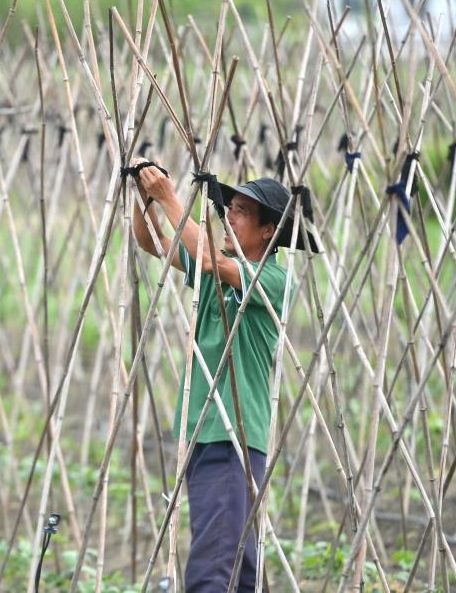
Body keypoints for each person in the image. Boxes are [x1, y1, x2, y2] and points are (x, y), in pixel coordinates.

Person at [128, 157, 314, 592]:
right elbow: (153, 241)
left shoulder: (272, 281)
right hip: (202, 432)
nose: (228, 215)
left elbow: (210, 258)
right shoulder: (214, 268)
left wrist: (169, 197)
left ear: (269, 231)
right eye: (228, 207)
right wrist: (144, 198)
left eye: (242, 211)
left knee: (216, 568)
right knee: (232, 564)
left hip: (235, 436)